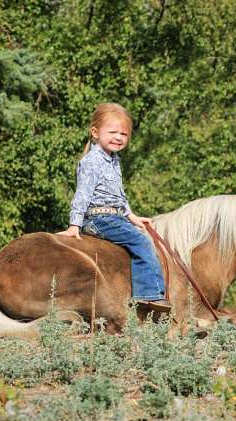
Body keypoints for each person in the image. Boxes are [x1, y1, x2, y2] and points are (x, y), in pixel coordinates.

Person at [57, 103, 171, 312]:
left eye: (124, 134)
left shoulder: (113, 160)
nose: (118, 137)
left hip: (114, 217)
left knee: (140, 235)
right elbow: (82, 194)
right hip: (98, 218)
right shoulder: (92, 161)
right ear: (95, 132)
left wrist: (131, 216)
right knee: (141, 242)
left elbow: (117, 195)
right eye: (113, 132)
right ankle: (149, 296)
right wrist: (75, 224)